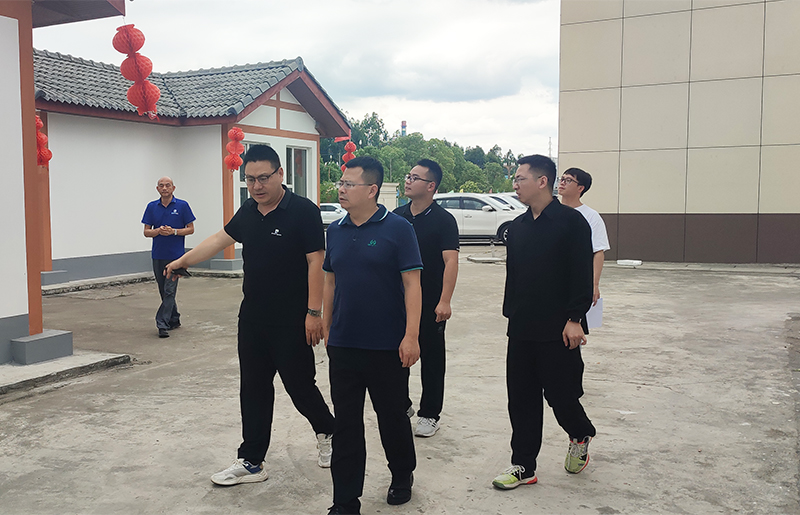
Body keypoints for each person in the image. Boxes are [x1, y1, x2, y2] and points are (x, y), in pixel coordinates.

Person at [164, 145, 335, 485]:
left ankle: (328, 430)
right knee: (253, 388)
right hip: (253, 317)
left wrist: (314, 312)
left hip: (293, 319)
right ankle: (252, 460)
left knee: (299, 385)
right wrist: (184, 260)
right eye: (250, 180)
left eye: (264, 178)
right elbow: (219, 238)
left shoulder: (303, 211)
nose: (257, 186)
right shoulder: (248, 211)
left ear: (280, 174)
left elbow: (316, 261)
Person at [323, 156, 422, 515]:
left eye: (349, 184)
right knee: (346, 425)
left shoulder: (398, 229)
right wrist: (327, 326)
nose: (341, 189)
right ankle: (345, 500)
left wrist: (411, 336)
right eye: (341, 183)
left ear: (371, 190)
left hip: (387, 345)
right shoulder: (335, 230)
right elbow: (330, 280)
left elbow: (412, 284)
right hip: (344, 344)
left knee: (391, 416)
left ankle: (402, 473)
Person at [492, 154, 596, 490]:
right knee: (521, 398)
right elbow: (515, 276)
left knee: (561, 395)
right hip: (522, 327)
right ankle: (523, 466)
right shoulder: (518, 227)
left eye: (520, 178)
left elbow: (581, 273)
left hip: (559, 327)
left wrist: (575, 318)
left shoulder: (571, 222)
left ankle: (580, 433)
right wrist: (511, 314)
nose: (515, 185)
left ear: (542, 181)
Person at [393, 159, 459, 437]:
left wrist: (445, 300)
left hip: (430, 300)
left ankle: (430, 414)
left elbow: (451, 261)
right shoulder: (397, 217)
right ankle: (402, 404)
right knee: (394, 356)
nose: (408, 181)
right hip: (398, 301)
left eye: (415, 178)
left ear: (431, 186)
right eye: (408, 176)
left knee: (431, 360)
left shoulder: (443, 220)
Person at [142, 176, 195, 338]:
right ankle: (174, 318)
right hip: (158, 255)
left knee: (169, 290)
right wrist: (158, 231)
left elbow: (191, 229)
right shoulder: (152, 207)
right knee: (163, 291)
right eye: (161, 185)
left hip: (176, 257)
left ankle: (162, 324)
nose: (164, 188)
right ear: (157, 189)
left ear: (173, 188)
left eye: (167, 185)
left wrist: (174, 231)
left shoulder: (182, 206)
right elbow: (146, 232)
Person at [558, 167, 610, 306]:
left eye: (568, 180)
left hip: (577, 280)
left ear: (580, 188)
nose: (562, 183)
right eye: (562, 179)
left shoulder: (591, 216)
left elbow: (598, 251)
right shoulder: (550, 212)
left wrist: (594, 284)